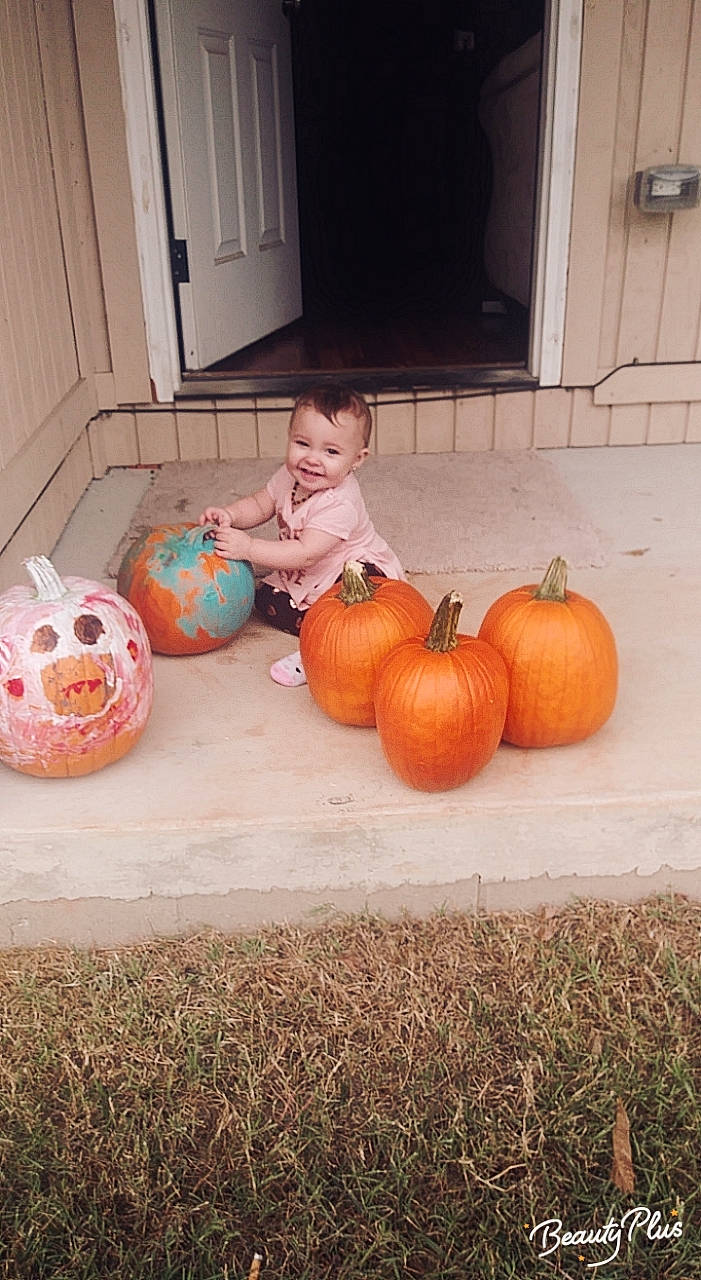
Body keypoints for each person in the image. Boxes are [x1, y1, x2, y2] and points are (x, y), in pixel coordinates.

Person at [199, 384, 406, 685]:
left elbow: (306, 551)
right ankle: (319, 624)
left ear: (357, 460)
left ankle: (323, 652)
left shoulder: (340, 502)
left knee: (357, 609)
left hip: (348, 571)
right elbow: (261, 503)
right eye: (302, 444)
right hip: (306, 573)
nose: (312, 459)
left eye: (331, 451)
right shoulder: (289, 477)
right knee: (264, 599)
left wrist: (249, 548)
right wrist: (231, 515)